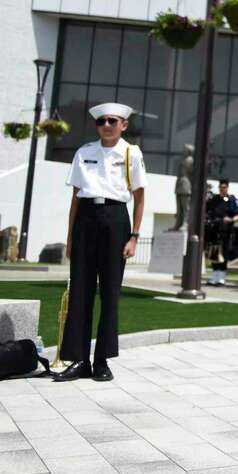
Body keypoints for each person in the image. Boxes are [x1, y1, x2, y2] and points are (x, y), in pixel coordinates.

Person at [54, 102, 146, 383]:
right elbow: (75, 197)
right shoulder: (84, 152)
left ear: (124, 125)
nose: (106, 125)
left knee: (109, 293)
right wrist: (70, 237)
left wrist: (134, 236)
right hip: (86, 218)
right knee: (80, 289)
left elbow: (140, 197)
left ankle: (102, 360)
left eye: (112, 121)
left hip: (116, 218)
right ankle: (78, 359)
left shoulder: (132, 153)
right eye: (101, 121)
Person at [205, 179, 238, 286]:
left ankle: (221, 277)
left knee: (224, 253)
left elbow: (237, 215)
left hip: (226, 231)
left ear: (227, 188)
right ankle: (215, 276)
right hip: (214, 230)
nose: (222, 189)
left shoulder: (231, 200)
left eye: (224, 187)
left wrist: (230, 220)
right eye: (221, 187)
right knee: (213, 253)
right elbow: (206, 211)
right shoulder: (214, 199)